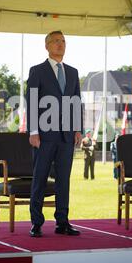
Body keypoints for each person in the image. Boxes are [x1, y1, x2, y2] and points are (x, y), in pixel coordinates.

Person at [26, 30, 83, 237]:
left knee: (63, 180)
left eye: (63, 41)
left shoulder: (73, 72)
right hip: (43, 135)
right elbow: (32, 101)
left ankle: (62, 222)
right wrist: (33, 131)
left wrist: (78, 129)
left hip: (66, 136)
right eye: (56, 41)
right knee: (39, 178)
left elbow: (76, 102)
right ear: (47, 46)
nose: (60, 45)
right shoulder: (37, 71)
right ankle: (36, 222)